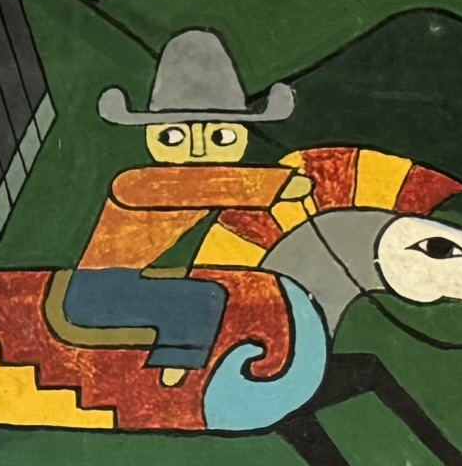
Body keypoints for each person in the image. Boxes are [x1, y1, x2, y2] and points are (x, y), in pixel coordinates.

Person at [59, 31, 337, 392]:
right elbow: (207, 183)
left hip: (141, 279)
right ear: (152, 137)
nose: (199, 149)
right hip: (99, 291)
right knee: (202, 298)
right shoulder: (137, 183)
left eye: (220, 137)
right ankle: (174, 380)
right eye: (175, 137)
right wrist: (278, 187)